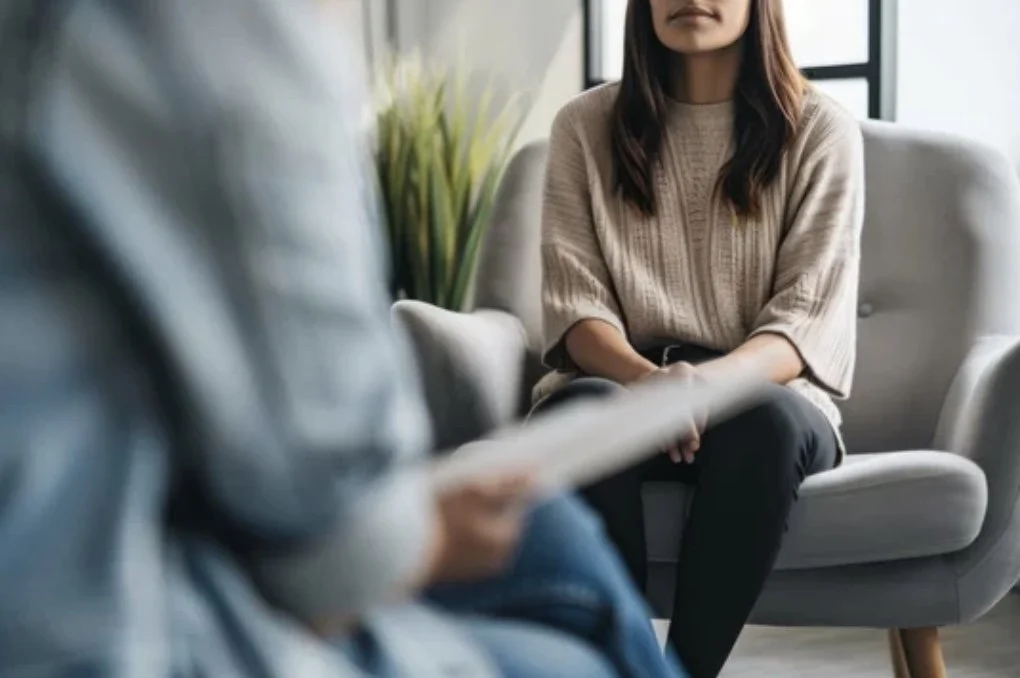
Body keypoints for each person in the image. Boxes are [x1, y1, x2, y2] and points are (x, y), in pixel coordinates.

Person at [0, 1, 683, 677]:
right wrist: (431, 530)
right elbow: (339, 553)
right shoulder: (198, 30)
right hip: (112, 632)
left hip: (107, 556)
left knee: (550, 529)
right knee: (570, 631)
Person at [530, 0, 865, 676]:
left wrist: (703, 385)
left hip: (766, 393)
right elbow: (575, 304)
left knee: (761, 422)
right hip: (622, 382)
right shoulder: (582, 127)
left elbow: (805, 321)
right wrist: (652, 385)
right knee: (575, 413)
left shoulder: (822, 129)